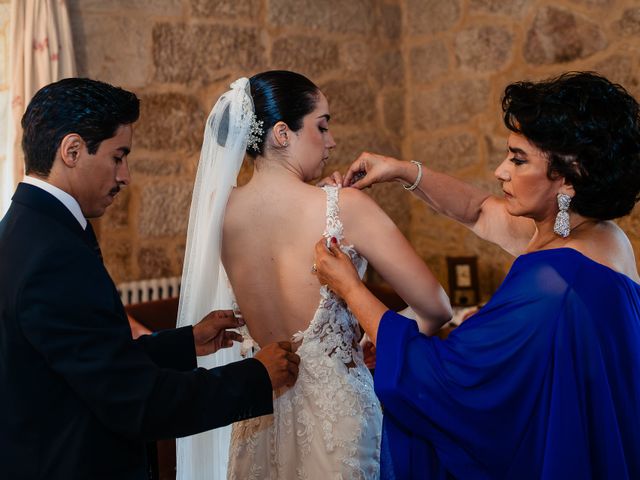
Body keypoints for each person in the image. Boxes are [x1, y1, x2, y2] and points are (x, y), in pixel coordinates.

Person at [314, 71, 640, 479]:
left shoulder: (553, 281)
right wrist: (401, 170)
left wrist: (351, 288)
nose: (501, 171)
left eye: (518, 159)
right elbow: (479, 210)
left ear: (568, 176)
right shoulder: (602, 237)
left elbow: (440, 378)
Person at [0, 77, 300, 480]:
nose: (125, 176)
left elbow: (90, 362)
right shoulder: (55, 255)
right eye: (117, 156)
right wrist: (256, 377)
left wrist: (182, 345)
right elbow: (137, 402)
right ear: (72, 151)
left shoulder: (24, 228)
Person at [174, 70, 452, 479]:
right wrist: (381, 333)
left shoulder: (220, 211)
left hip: (258, 413)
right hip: (338, 421)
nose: (332, 141)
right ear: (282, 133)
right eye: (322, 126)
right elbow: (437, 308)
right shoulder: (346, 209)